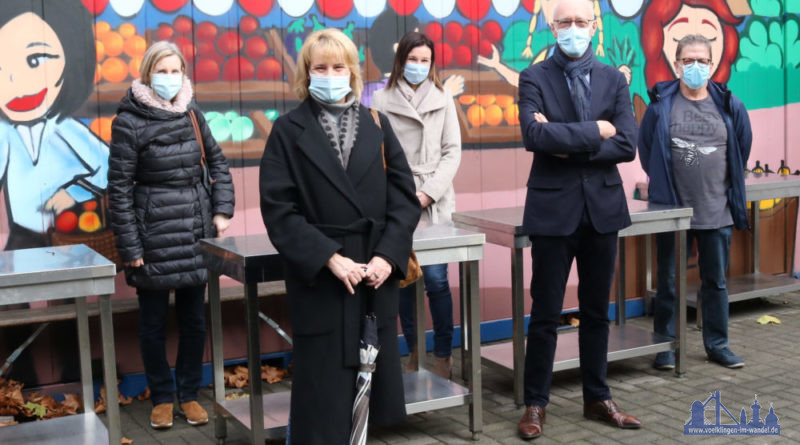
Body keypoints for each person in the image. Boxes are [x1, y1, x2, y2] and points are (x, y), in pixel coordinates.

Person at [259, 28, 420, 444]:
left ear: (352, 72)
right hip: (323, 280)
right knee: (321, 402)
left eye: (339, 66)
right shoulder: (287, 131)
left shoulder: (377, 124)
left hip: (372, 274)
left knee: (369, 395)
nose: (330, 74)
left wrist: (387, 256)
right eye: (320, 67)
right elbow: (280, 211)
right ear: (307, 73)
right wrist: (329, 257)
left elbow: (404, 199)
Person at [516, 0, 641, 439]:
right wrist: (595, 130)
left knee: (595, 312)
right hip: (552, 212)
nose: (573, 29)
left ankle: (597, 397)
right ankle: (535, 403)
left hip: (602, 211)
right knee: (545, 313)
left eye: (580, 22)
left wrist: (565, 140)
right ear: (552, 27)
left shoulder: (613, 79)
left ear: (594, 25)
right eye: (564, 22)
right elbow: (533, 135)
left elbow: (627, 144)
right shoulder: (533, 76)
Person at [108, 41, 235, 429]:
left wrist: (221, 210)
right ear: (148, 74)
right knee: (152, 322)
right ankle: (162, 397)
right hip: (152, 239)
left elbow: (217, 162)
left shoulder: (191, 111)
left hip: (194, 234)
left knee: (194, 320)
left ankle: (189, 395)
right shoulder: (129, 120)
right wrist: (130, 247)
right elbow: (119, 189)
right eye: (161, 71)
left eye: (175, 70)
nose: (169, 78)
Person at [0, 0, 107, 387]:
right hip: (25, 232)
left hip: (67, 230)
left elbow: (107, 167)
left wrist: (72, 192)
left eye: (35, 61)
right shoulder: (5, 134)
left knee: (70, 300)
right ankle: (20, 370)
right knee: (13, 299)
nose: (17, 83)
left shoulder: (68, 130)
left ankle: (76, 366)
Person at [638, 34, 751, 370]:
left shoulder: (729, 104)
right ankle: (666, 347)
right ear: (677, 64)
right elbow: (648, 152)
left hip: (717, 210)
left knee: (715, 282)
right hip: (673, 212)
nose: (696, 66)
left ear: (712, 64)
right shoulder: (662, 106)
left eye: (703, 60)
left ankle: (718, 345)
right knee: (669, 282)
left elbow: (741, 146)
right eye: (689, 60)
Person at [372, 31, 461, 379]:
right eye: (413, 59)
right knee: (405, 280)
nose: (419, 66)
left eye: (425, 60)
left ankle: (442, 354)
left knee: (437, 280)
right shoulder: (381, 100)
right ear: (400, 61)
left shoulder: (443, 98)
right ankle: (414, 352)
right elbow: (378, 152)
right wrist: (400, 195)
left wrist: (428, 193)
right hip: (396, 199)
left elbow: (453, 152)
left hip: (434, 201)